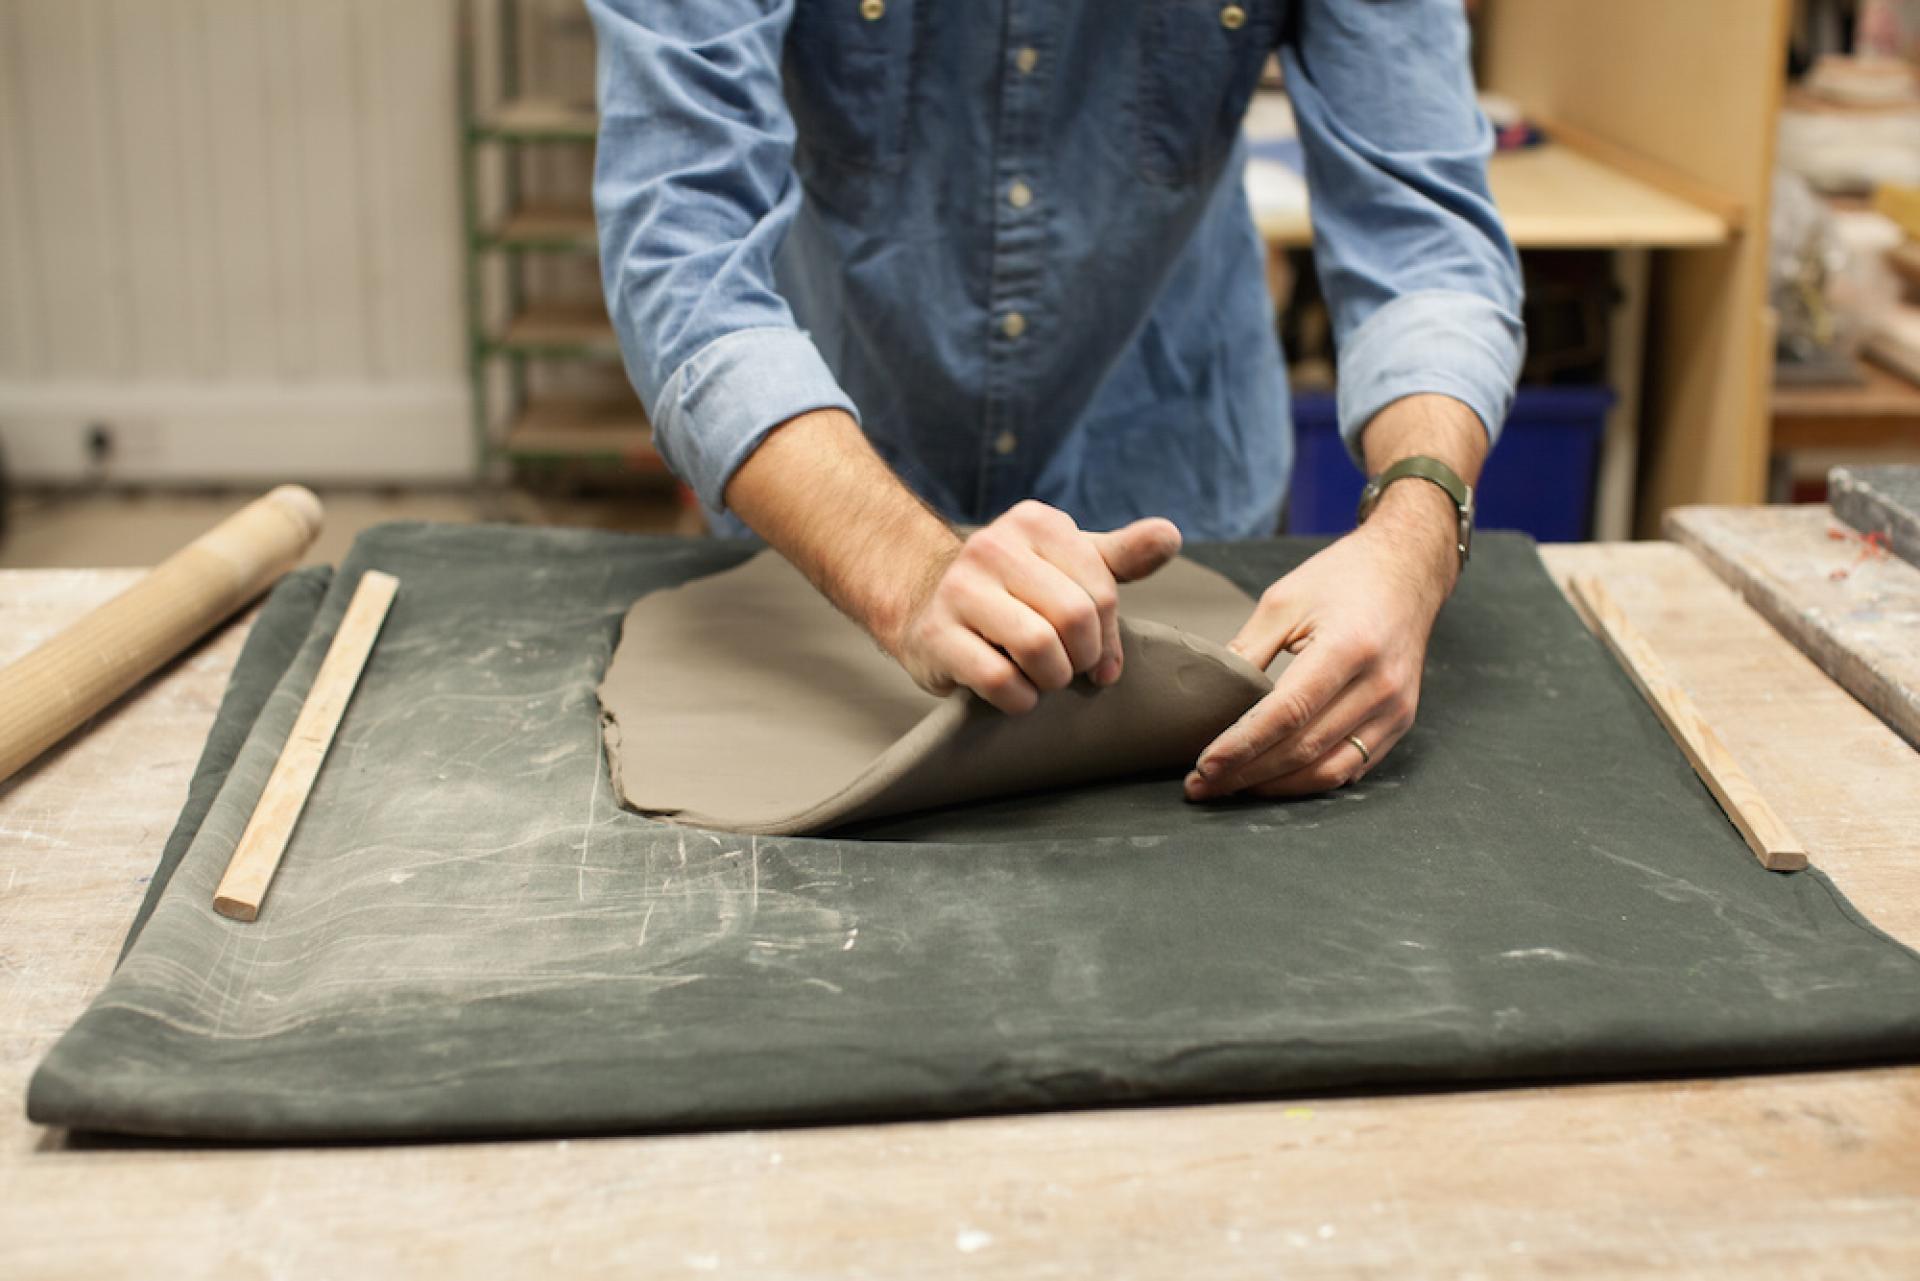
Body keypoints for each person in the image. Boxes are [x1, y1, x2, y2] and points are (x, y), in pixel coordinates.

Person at [586, 0, 1523, 800]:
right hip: (823, 528)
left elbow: (1425, 238)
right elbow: (681, 238)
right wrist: (901, 567)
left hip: (1178, 493)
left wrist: (1416, 529)